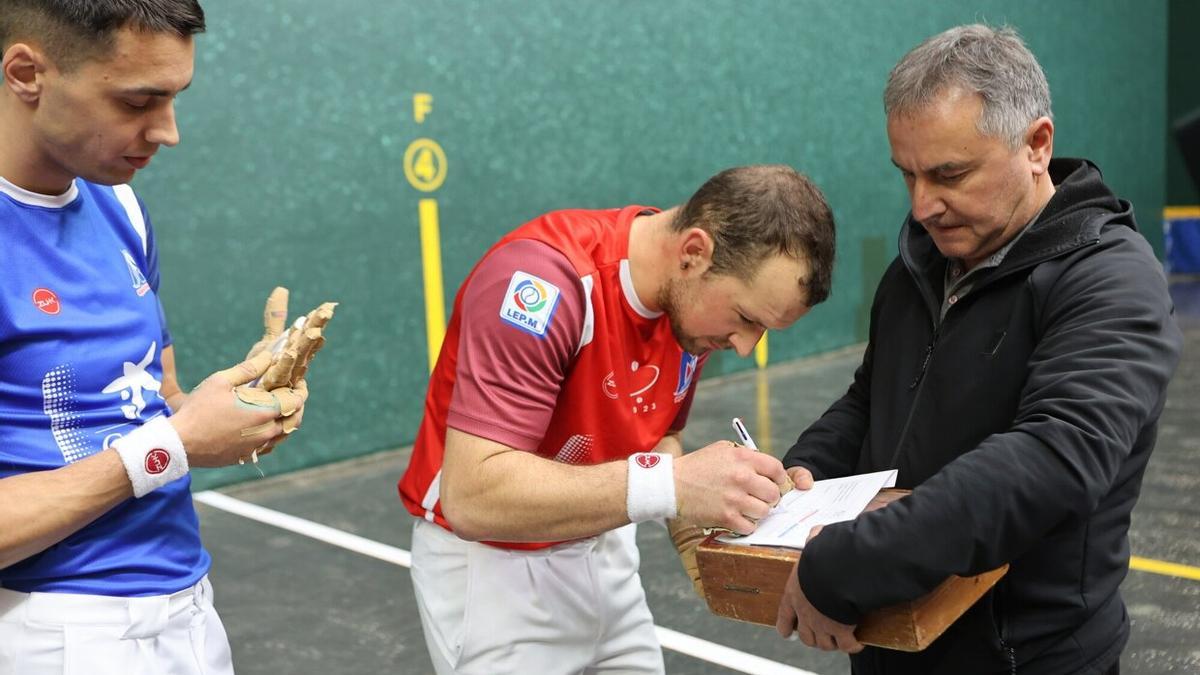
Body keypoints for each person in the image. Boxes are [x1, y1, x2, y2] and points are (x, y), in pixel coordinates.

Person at [775, 24, 1182, 675]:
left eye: (949, 174)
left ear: (1037, 145)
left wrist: (850, 560)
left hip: (1025, 656)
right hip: (892, 636)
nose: (923, 204)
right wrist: (798, 482)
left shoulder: (1111, 278)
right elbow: (870, 398)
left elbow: (1054, 458)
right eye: (906, 174)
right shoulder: (922, 261)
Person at [398, 164, 837, 674]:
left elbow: (660, 435)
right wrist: (673, 484)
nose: (744, 347)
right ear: (694, 253)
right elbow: (473, 497)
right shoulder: (541, 285)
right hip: (494, 572)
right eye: (746, 319)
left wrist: (707, 518)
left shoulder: (687, 305)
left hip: (605, 548)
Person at [0, 2, 307, 673]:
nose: (167, 131)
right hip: (49, 625)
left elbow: (155, 405)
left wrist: (226, 410)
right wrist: (175, 444)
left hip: (188, 607)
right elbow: (163, 443)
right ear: (27, 73)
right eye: (138, 100)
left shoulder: (120, 204)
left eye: (174, 97)